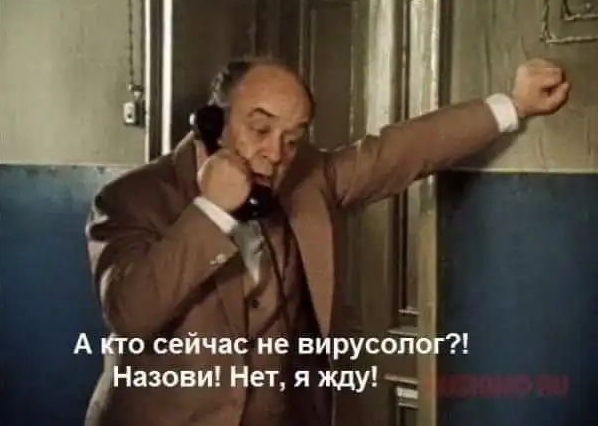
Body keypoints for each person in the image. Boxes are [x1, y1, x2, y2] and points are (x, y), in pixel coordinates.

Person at [84, 56, 569, 426]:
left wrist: (515, 105)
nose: (275, 153)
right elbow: (130, 313)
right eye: (260, 128)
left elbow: (399, 152)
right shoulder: (132, 198)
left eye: (292, 138)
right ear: (214, 123)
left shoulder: (306, 178)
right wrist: (210, 210)